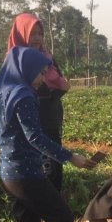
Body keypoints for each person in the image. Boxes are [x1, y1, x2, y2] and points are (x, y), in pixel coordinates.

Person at [0, 46, 95, 222]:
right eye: (41, 73)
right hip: (25, 175)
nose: (44, 78)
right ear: (28, 69)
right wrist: (70, 156)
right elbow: (36, 138)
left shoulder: (6, 92)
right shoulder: (24, 96)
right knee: (62, 218)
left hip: (7, 173)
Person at [7, 13, 70, 197]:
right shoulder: (16, 61)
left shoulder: (47, 57)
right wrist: (50, 91)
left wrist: (55, 92)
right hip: (32, 120)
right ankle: (46, 207)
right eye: (32, 33)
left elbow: (62, 84)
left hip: (51, 116)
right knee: (40, 163)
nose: (37, 38)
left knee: (53, 162)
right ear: (22, 33)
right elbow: (26, 91)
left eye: (39, 34)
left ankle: (53, 204)